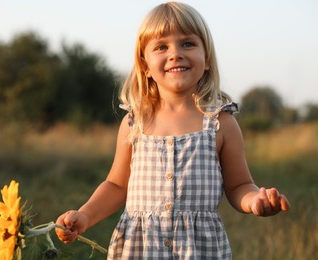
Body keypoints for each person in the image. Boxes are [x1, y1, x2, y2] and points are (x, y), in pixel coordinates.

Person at [55, 2, 290, 259]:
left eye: (188, 43)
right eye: (161, 47)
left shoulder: (220, 123)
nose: (175, 53)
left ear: (207, 58)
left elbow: (240, 185)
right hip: (139, 248)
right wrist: (85, 216)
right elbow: (116, 185)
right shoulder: (135, 123)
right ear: (144, 64)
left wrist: (254, 200)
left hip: (200, 250)